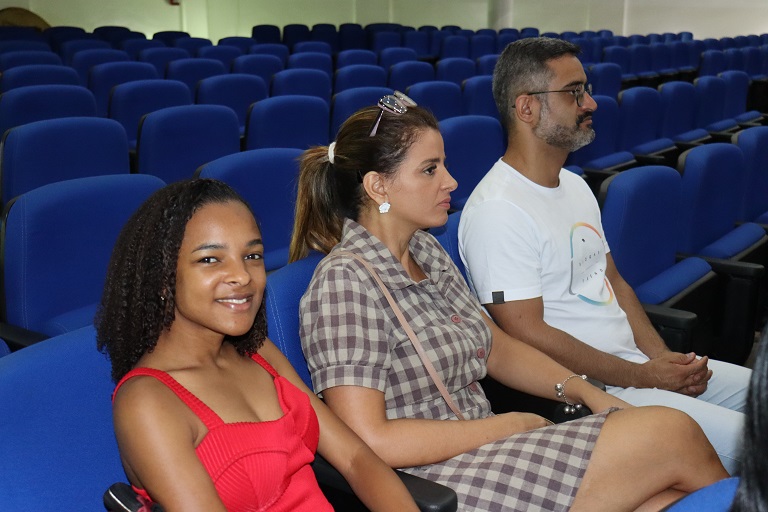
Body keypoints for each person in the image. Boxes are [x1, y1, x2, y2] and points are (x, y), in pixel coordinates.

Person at [292, 92, 728, 511]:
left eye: (443, 164)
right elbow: (370, 439)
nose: (450, 181)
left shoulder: (425, 250)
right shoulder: (344, 283)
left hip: (487, 450)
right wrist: (509, 424)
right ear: (378, 186)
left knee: (668, 499)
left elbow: (496, 347)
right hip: (436, 479)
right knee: (673, 431)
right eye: (429, 170)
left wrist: (583, 390)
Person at [457, 36, 752, 476]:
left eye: (587, 90)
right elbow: (526, 332)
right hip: (594, 394)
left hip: (634, 371)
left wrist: (660, 360)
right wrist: (643, 377)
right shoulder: (498, 210)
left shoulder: (574, 184)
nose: (591, 103)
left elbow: (612, 280)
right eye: (574, 92)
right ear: (527, 108)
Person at [96, 179, 420, 512]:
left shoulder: (257, 351)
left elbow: (355, 458)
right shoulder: (148, 402)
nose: (243, 276)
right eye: (210, 259)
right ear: (163, 278)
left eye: (252, 255)